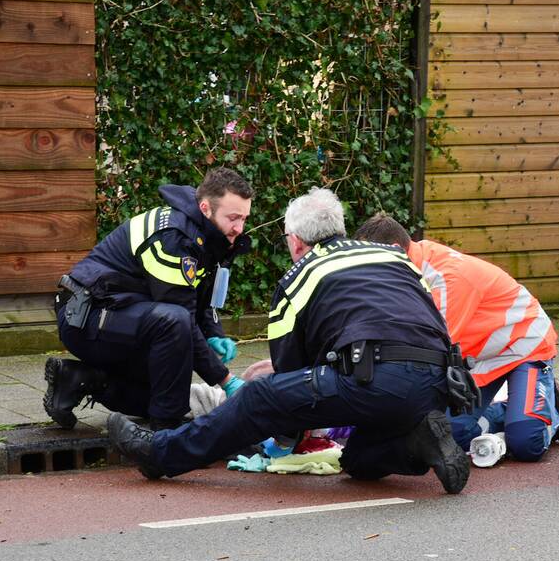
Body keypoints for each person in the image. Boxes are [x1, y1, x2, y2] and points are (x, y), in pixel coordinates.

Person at [107, 187, 472, 494]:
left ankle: (160, 454)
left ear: (296, 241)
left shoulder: (302, 272)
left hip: (372, 379)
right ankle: (419, 442)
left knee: (258, 397)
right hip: (438, 383)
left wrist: (280, 441)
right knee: (358, 460)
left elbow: (289, 380)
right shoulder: (398, 258)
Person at [354, 213, 559, 462]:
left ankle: (553, 415)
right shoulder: (407, 267)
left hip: (523, 348)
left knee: (527, 443)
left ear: (395, 250)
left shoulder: (447, 278)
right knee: (451, 434)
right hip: (477, 356)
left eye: (371, 262)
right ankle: (520, 408)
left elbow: (432, 350)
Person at [43, 167, 253, 431]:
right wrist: (225, 380)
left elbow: (200, 297)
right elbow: (181, 316)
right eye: (233, 218)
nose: (239, 228)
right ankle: (167, 434)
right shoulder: (175, 239)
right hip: (85, 318)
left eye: (244, 218)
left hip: (122, 314)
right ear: (205, 208)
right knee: (174, 326)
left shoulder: (209, 235)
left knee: (157, 395)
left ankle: (79, 378)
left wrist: (214, 332)